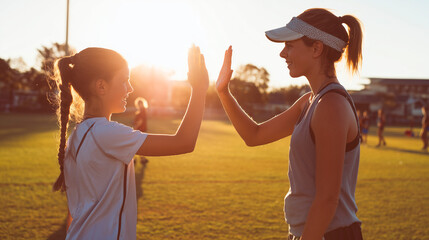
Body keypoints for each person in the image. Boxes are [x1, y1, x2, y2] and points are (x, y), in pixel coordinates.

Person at [216, 8, 363, 240]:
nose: (282, 54)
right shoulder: (309, 101)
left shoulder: (330, 106)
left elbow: (327, 199)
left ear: (316, 49)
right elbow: (254, 135)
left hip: (330, 235)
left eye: (290, 46)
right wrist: (223, 92)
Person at [52, 46, 208, 240]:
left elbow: (74, 212)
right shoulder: (106, 133)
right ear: (101, 86)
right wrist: (200, 90)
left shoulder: (76, 136)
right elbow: (184, 142)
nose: (131, 88)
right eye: (125, 80)